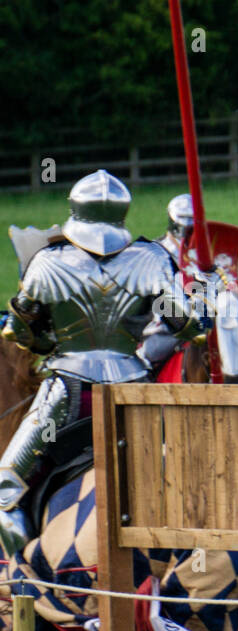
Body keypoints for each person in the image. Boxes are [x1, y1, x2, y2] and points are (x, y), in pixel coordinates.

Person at [0, 169, 222, 555]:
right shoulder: (152, 259)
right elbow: (188, 328)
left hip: (68, 394)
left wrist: (49, 338)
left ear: (75, 209)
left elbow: (19, 334)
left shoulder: (47, 262)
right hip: (134, 390)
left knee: (4, 491)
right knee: (193, 474)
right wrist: (206, 289)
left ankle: (27, 584)